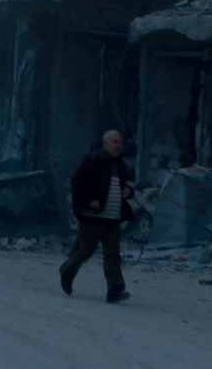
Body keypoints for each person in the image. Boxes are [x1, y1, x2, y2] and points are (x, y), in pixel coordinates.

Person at [59, 129, 134, 303]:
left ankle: (115, 290)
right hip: (92, 218)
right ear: (105, 143)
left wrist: (129, 192)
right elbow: (77, 181)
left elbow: (124, 187)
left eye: (120, 143)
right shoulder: (91, 161)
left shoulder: (121, 165)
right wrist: (90, 198)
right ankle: (67, 272)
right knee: (84, 251)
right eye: (115, 142)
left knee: (113, 255)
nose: (118, 146)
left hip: (113, 220)